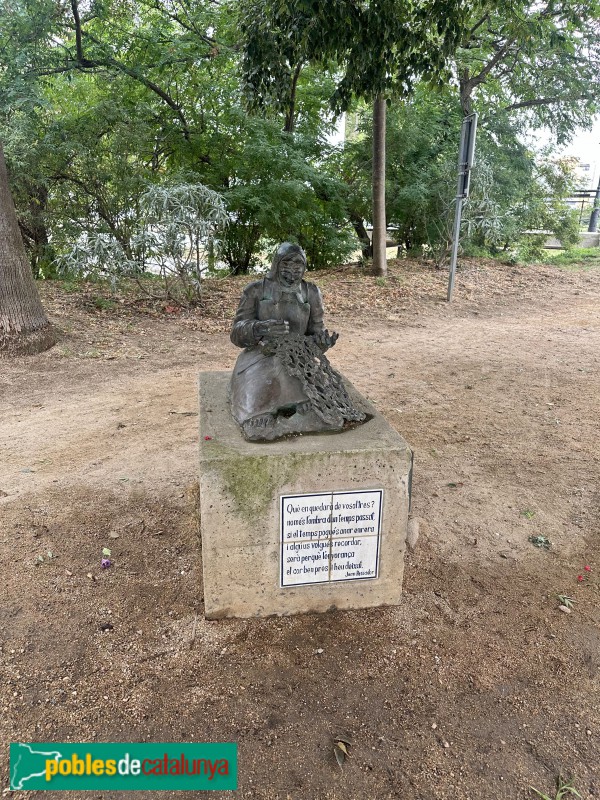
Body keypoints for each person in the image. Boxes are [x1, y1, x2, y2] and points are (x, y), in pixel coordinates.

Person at [229, 242, 365, 441]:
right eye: (286, 265)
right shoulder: (256, 290)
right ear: (276, 265)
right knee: (259, 393)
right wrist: (259, 328)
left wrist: (321, 342)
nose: (292, 273)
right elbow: (236, 333)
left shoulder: (311, 292)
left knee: (318, 399)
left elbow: (315, 332)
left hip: (297, 357)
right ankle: (262, 410)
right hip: (260, 355)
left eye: (297, 266)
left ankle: (297, 407)